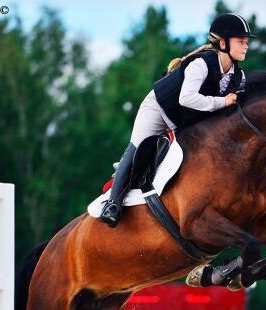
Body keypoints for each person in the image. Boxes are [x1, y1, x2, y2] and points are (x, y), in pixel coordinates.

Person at [100, 13, 257, 227]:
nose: (246, 46)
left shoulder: (239, 77)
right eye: (241, 41)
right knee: (138, 147)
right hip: (160, 109)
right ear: (223, 43)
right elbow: (186, 98)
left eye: (246, 42)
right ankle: (113, 203)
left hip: (185, 121)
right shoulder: (201, 63)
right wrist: (222, 102)